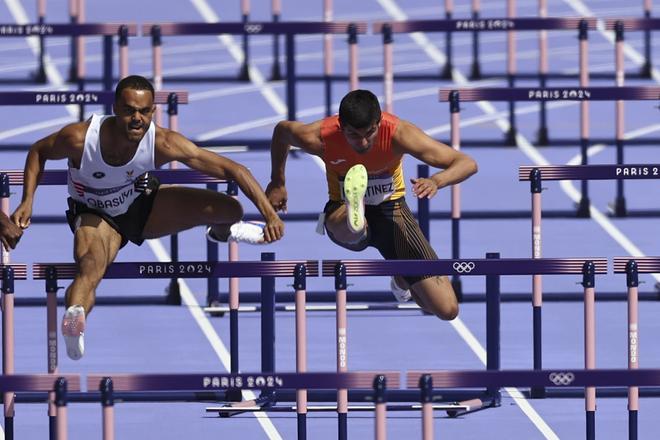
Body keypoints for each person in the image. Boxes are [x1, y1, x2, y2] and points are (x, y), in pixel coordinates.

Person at [11, 75, 284, 360]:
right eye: (129, 111)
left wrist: (269, 215)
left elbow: (234, 170)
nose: (137, 119)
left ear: (153, 111)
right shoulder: (80, 138)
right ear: (115, 107)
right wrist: (27, 201)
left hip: (140, 206)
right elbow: (38, 151)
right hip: (94, 214)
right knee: (91, 264)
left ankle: (219, 233)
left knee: (231, 210)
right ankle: (75, 319)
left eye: (144, 111)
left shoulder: (162, 142)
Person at [266, 89, 477, 320]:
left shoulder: (399, 133)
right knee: (352, 224)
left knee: (447, 310)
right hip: (341, 210)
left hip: (392, 210)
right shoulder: (319, 136)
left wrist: (437, 180)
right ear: (340, 126)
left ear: (379, 122)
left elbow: (466, 163)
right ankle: (356, 215)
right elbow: (282, 132)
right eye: (354, 135)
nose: (363, 142)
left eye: (370, 133)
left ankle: (401, 278)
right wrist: (278, 181)